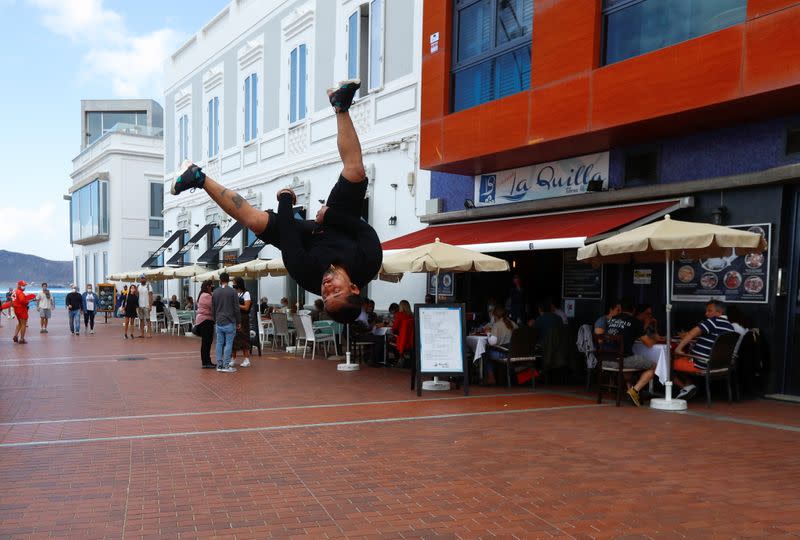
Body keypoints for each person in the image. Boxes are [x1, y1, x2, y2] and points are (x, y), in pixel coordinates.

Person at [171, 80, 381, 324]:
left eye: (325, 294)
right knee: (356, 172)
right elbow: (363, 228)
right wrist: (331, 216)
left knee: (253, 220)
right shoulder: (369, 262)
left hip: (305, 238)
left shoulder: (307, 276)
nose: (327, 287)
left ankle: (197, 177)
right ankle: (341, 106)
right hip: (342, 224)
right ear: (354, 287)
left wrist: (284, 200)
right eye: (336, 290)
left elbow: (290, 236)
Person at [673, 299, 736, 400]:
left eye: (709, 311)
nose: (706, 314)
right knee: (684, 358)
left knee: (668, 364)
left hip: (702, 363)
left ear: (719, 313)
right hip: (720, 365)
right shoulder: (730, 327)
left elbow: (693, 332)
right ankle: (690, 387)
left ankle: (685, 387)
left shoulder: (714, 321)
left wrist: (679, 348)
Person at [605, 298, 658, 406]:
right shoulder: (635, 322)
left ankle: (630, 390)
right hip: (620, 361)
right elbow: (649, 344)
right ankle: (635, 390)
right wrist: (656, 338)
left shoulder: (611, 319)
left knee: (630, 361)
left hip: (604, 359)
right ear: (633, 310)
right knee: (655, 366)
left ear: (620, 308)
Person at [212, 272, 240, 372]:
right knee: (228, 344)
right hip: (230, 321)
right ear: (228, 280)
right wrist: (239, 321)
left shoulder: (215, 292)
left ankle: (219, 365)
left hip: (219, 322)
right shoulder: (233, 292)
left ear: (220, 280)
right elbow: (236, 308)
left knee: (219, 343)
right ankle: (226, 365)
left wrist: (215, 320)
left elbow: (213, 308)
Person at [484, 306, 519, 385]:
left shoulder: (497, 325)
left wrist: (488, 333)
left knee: (485, 353)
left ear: (495, 316)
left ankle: (491, 377)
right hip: (515, 353)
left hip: (505, 354)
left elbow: (492, 342)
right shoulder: (513, 323)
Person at [231, 277, 252, 368]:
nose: (233, 285)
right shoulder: (235, 293)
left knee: (243, 337)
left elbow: (246, 307)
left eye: (234, 283)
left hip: (243, 318)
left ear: (238, 284)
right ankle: (233, 359)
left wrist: (236, 305)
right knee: (234, 338)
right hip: (235, 318)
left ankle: (246, 359)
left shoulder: (246, 293)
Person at [195, 280, 215, 369]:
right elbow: (213, 306)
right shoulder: (207, 296)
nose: (213, 287)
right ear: (208, 286)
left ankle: (207, 361)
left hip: (203, 320)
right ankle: (206, 362)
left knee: (206, 342)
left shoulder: (202, 294)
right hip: (206, 321)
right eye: (212, 286)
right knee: (206, 342)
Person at [389, 300, 414, 366]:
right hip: (411, 340)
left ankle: (397, 359)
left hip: (402, 340)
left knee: (389, 340)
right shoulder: (412, 316)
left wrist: (392, 325)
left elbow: (394, 328)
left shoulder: (399, 315)